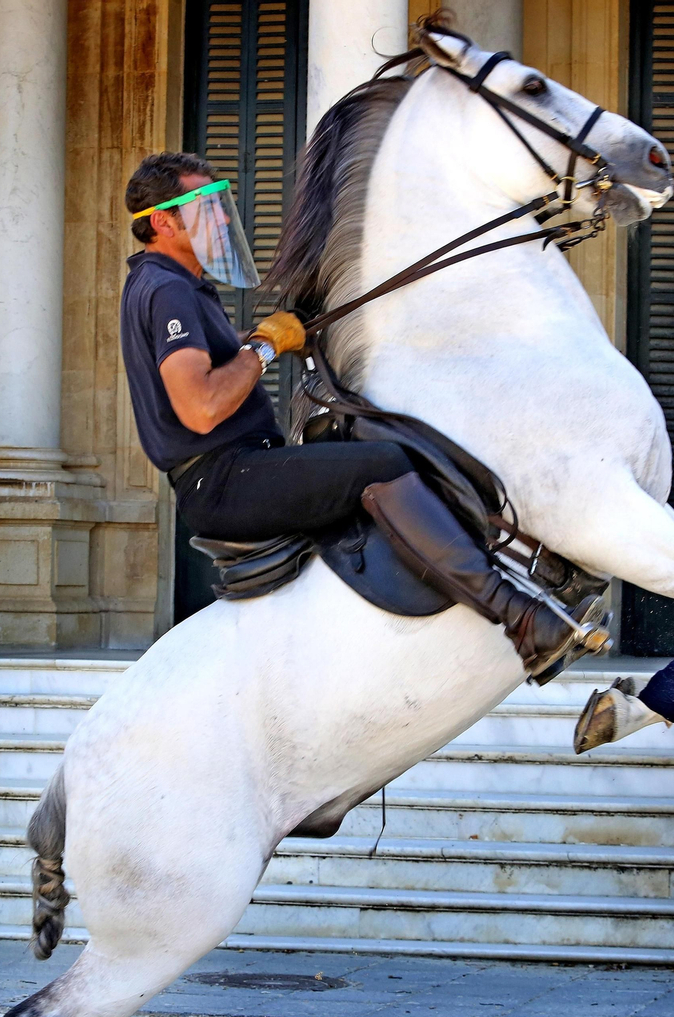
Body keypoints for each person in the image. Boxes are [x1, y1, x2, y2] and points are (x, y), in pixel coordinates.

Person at [118, 151, 580, 679]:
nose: (223, 217)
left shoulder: (174, 286)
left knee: (365, 435)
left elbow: (210, 372)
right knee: (380, 461)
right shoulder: (169, 289)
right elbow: (200, 408)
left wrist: (266, 339)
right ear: (162, 222)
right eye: (206, 206)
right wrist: (265, 347)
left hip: (237, 470)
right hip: (224, 480)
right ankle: (519, 617)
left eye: (220, 205)